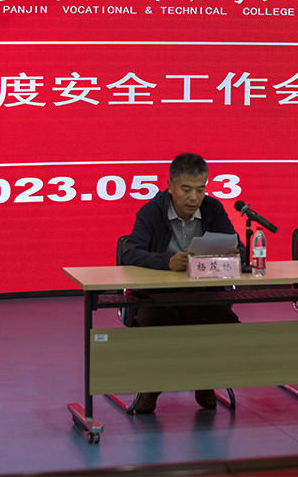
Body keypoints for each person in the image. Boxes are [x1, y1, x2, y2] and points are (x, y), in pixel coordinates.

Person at [121, 153, 246, 414]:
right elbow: (129, 252)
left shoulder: (213, 209)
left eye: (200, 189)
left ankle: (206, 380)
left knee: (225, 323)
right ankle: (152, 386)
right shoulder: (151, 212)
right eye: (187, 189)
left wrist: (235, 254)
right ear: (171, 186)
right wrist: (166, 261)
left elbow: (239, 248)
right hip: (157, 296)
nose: (194, 197)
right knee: (158, 327)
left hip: (203, 293)